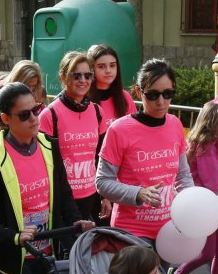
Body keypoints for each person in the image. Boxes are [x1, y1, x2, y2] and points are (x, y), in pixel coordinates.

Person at [0, 82, 92, 274]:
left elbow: (64, 194)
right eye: (25, 115)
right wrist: (14, 237)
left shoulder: (49, 145)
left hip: (46, 252)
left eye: (36, 109)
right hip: (12, 260)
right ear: (6, 119)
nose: (35, 118)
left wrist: (77, 220)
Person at [96, 59, 193, 243]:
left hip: (169, 229)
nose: (162, 101)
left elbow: (183, 175)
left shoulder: (175, 124)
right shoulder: (119, 129)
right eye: (153, 95)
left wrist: (191, 202)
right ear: (139, 92)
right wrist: (138, 193)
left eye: (168, 93)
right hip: (132, 231)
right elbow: (102, 182)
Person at [174, 100, 218, 274]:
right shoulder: (206, 146)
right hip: (209, 205)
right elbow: (212, 180)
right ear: (216, 122)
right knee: (208, 252)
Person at [41, 51, 104, 222]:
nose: (83, 80)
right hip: (63, 197)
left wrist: (105, 196)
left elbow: (101, 158)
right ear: (63, 77)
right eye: (76, 76)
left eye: (88, 75)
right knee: (68, 247)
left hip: (91, 194)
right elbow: (44, 163)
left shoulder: (97, 111)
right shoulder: (50, 114)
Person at [87, 44, 134, 134]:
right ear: (92, 69)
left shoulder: (125, 97)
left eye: (112, 65)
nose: (108, 70)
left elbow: (133, 131)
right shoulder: (84, 99)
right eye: (101, 66)